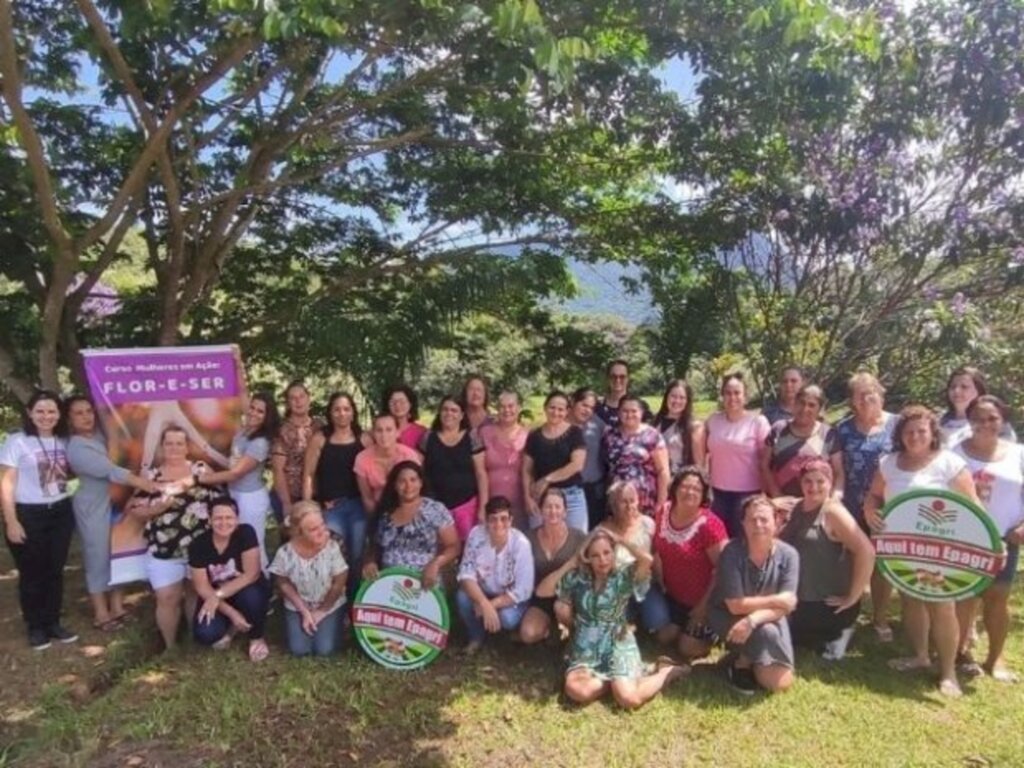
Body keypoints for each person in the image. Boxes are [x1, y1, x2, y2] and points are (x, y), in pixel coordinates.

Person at [865, 405, 980, 698]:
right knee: (911, 600)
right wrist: (869, 511)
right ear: (900, 435)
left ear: (932, 434)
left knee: (942, 606)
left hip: (942, 549)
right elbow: (875, 495)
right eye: (908, 432)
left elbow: (974, 508)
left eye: (921, 431)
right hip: (903, 547)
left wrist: (989, 542)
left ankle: (948, 672)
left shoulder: (949, 464)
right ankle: (919, 655)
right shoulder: (888, 463)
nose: (915, 436)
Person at [537, 528, 687, 710]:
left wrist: (621, 540)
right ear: (588, 558)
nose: (603, 560)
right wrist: (572, 562)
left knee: (629, 699)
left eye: (607, 553)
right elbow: (542, 591)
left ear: (614, 552)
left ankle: (665, 672)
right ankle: (617, 682)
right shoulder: (579, 578)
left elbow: (647, 560)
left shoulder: (623, 575)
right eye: (595, 555)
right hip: (586, 645)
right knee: (576, 690)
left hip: (617, 640)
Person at [65, 394, 159, 631]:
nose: (86, 417)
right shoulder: (75, 446)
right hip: (93, 506)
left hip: (117, 503)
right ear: (68, 418)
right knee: (98, 556)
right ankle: (101, 613)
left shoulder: (99, 436)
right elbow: (109, 469)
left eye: (89, 411)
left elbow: (118, 431)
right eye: (79, 413)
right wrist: (142, 483)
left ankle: (118, 607)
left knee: (118, 551)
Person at [130, 425, 222, 650]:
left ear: (187, 447)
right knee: (167, 597)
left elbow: (219, 501)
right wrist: (157, 509)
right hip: (164, 549)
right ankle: (170, 646)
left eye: (179, 443)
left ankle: (195, 638)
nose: (174, 448)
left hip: (199, 548)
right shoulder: (151, 476)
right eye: (169, 443)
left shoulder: (200, 470)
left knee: (195, 593)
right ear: (162, 447)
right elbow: (136, 511)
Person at [952, 395, 1024, 682]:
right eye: (978, 418)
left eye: (992, 418)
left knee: (997, 598)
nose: (985, 424)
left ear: (1003, 420)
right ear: (969, 421)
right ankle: (961, 652)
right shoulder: (955, 453)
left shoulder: (1018, 453)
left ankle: (995, 659)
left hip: (1005, 538)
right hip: (963, 536)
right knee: (964, 596)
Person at [1, 390, 77, 649]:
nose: (46, 416)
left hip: (60, 512)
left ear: (59, 414)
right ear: (30, 413)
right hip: (28, 514)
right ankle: (35, 626)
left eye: (52, 411)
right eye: (40, 411)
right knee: (32, 572)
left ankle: (53, 622)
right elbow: (6, 483)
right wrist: (11, 521)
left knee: (55, 570)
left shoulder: (65, 440)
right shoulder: (17, 441)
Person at [779, 459, 875, 660]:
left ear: (830, 482)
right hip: (798, 601)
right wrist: (772, 502)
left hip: (827, 604)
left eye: (820, 481)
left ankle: (844, 628)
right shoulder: (794, 507)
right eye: (808, 481)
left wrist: (853, 596)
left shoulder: (833, 512)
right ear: (800, 482)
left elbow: (866, 552)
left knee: (826, 654)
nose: (814, 487)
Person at [708, 495, 799, 695]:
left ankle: (742, 658)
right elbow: (735, 605)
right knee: (767, 635)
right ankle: (741, 663)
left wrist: (753, 619)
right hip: (727, 616)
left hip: (769, 618)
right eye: (752, 519)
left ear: (777, 521)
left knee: (780, 683)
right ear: (743, 523)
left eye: (764, 519)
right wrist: (777, 600)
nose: (758, 525)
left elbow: (788, 605)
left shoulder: (790, 555)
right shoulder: (731, 552)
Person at [831, 371, 897, 641]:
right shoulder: (843, 429)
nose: (867, 398)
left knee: (882, 564)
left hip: (887, 506)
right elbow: (839, 471)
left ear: (881, 395)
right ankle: (848, 612)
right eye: (860, 394)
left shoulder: (898, 425)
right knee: (852, 559)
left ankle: (880, 617)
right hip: (853, 504)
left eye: (872, 393)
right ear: (853, 402)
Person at [643, 467, 728, 660]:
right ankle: (683, 627)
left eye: (696, 489)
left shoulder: (710, 525)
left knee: (687, 649)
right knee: (664, 637)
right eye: (685, 486)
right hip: (675, 597)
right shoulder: (664, 511)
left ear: (704, 494)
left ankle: (714, 630)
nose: (689, 492)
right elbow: (656, 549)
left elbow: (723, 570)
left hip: (705, 601)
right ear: (675, 488)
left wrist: (702, 608)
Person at [196, 393, 279, 568]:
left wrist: (204, 478)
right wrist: (210, 453)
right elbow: (234, 463)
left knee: (253, 544)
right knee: (238, 543)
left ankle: (263, 584)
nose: (254, 413)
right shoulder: (243, 432)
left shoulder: (260, 442)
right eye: (252, 408)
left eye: (260, 411)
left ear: (267, 417)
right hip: (235, 493)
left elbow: (236, 473)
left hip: (250, 499)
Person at [302, 392, 368, 603]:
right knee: (333, 556)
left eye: (346, 409)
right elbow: (309, 475)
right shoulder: (320, 438)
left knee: (357, 557)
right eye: (337, 409)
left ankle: (355, 602)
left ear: (353, 412)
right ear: (330, 413)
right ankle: (332, 602)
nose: (342, 413)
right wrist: (309, 509)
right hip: (331, 507)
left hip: (359, 506)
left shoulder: (364, 438)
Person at [189, 497, 270, 661]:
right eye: (218, 518)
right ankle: (234, 625)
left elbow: (251, 574)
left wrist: (216, 596)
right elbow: (202, 587)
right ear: (210, 520)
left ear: (237, 519)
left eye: (229, 517)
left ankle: (256, 637)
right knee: (206, 634)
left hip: (245, 588)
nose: (224, 523)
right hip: (216, 596)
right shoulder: (198, 544)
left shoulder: (246, 533)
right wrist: (232, 613)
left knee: (251, 597)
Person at [362, 461, 460, 590]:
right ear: (395, 486)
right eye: (402, 481)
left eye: (413, 480)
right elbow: (375, 546)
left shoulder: (434, 509)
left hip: (425, 581)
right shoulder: (385, 513)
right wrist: (370, 562)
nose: (408, 486)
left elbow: (454, 546)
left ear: (421, 483)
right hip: (390, 581)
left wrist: (436, 564)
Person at [455, 496, 534, 653]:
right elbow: (466, 574)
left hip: (511, 596)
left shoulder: (521, 544)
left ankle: (509, 635)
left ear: (511, 520)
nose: (498, 524)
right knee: (462, 598)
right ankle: (476, 637)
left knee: (507, 618)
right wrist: (484, 603)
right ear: (485, 520)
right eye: (493, 519)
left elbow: (523, 590)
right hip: (484, 591)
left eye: (504, 519)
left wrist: (491, 605)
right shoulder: (476, 535)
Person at [269, 502, 348, 657]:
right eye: (313, 529)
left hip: (329, 603)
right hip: (299, 604)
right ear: (299, 532)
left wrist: (321, 611)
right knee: (299, 650)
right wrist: (304, 611)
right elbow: (282, 582)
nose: (322, 532)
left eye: (322, 525)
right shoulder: (285, 552)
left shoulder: (333, 546)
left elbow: (339, 583)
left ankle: (337, 623)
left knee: (325, 650)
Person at [705, 373, 771, 538]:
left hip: (748, 494)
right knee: (718, 541)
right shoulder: (713, 421)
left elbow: (767, 461)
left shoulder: (758, 422)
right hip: (717, 494)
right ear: (722, 396)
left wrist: (766, 494)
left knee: (743, 541)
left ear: (745, 396)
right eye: (728, 393)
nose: (732, 397)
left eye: (737, 393)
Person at [519, 488, 587, 644]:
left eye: (558, 507)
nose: (553, 511)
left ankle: (577, 636)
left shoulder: (579, 538)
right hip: (540, 596)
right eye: (548, 506)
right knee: (528, 634)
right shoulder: (528, 538)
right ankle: (552, 631)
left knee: (561, 608)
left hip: (569, 596)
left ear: (565, 511)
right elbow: (540, 591)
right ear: (541, 510)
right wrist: (569, 565)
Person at [420, 395, 488, 541]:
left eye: (454, 410)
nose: (449, 413)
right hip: (435, 508)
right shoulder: (428, 437)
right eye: (445, 409)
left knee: (468, 550)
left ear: (462, 415)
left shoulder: (472, 437)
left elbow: (481, 473)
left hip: (467, 506)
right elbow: (417, 471)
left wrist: (483, 507)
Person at [761, 384, 843, 500]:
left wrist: (833, 500)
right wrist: (777, 496)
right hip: (784, 505)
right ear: (794, 403)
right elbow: (765, 466)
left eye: (812, 405)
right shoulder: (778, 429)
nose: (805, 409)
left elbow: (839, 472)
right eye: (802, 402)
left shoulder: (829, 434)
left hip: (818, 504)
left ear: (819, 409)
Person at [523, 391, 588, 532]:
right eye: (552, 407)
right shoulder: (534, 436)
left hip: (572, 498)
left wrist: (547, 479)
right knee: (539, 542)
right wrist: (527, 497)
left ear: (567, 412)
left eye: (561, 409)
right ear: (545, 408)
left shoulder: (575, 433)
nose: (556, 412)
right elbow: (526, 469)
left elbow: (577, 465)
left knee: (577, 543)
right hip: (541, 498)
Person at [271, 381, 324, 535]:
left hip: (316, 495)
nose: (298, 401)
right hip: (289, 495)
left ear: (309, 399)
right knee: (291, 540)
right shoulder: (281, 431)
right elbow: (278, 469)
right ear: (288, 403)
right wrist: (286, 503)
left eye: (301, 396)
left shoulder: (320, 426)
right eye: (293, 398)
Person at [604, 395, 670, 517]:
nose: (629, 415)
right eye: (625, 411)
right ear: (618, 412)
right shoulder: (610, 435)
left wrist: (661, 504)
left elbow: (663, 472)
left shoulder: (653, 436)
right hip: (616, 500)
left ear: (641, 412)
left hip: (645, 500)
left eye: (634, 411)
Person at [353, 413, 420, 521]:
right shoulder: (362, 459)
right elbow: (367, 498)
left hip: (408, 509)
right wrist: (378, 522)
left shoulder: (409, 456)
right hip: (379, 511)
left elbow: (418, 491)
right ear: (373, 433)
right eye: (379, 430)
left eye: (389, 430)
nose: (384, 435)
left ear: (397, 432)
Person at [478, 391, 529, 530]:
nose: (507, 410)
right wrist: (483, 506)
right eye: (502, 406)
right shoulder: (484, 433)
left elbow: (531, 471)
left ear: (518, 408)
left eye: (511, 406)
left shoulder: (527, 435)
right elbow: (479, 472)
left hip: (519, 504)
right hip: (491, 505)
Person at [939, 366, 1016, 446]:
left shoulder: (996, 423)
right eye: (953, 387)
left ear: (979, 390)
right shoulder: (937, 424)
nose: (956, 391)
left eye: (964, 387)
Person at [570, 387, 608, 529]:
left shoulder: (597, 424)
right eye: (584, 405)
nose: (587, 411)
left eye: (591, 408)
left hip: (592, 490)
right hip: (567, 491)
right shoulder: (560, 424)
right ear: (573, 402)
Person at [654, 379, 706, 474]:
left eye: (682, 398)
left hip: (678, 481)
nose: (677, 401)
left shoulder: (694, 426)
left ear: (687, 401)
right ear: (666, 397)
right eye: (673, 396)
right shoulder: (655, 422)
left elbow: (699, 464)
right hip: (653, 480)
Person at [600, 480, 655, 569]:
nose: (629, 506)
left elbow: (656, 558)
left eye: (632, 501)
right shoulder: (604, 530)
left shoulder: (648, 524)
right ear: (614, 506)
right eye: (624, 502)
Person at [594, 359, 652, 428]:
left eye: (622, 377)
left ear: (628, 379)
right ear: (608, 378)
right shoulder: (597, 407)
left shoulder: (640, 406)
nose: (617, 380)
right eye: (613, 376)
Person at [382, 384, 428, 452]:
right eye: (393, 402)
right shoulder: (379, 430)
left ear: (410, 404)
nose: (397, 405)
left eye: (402, 401)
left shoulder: (422, 432)